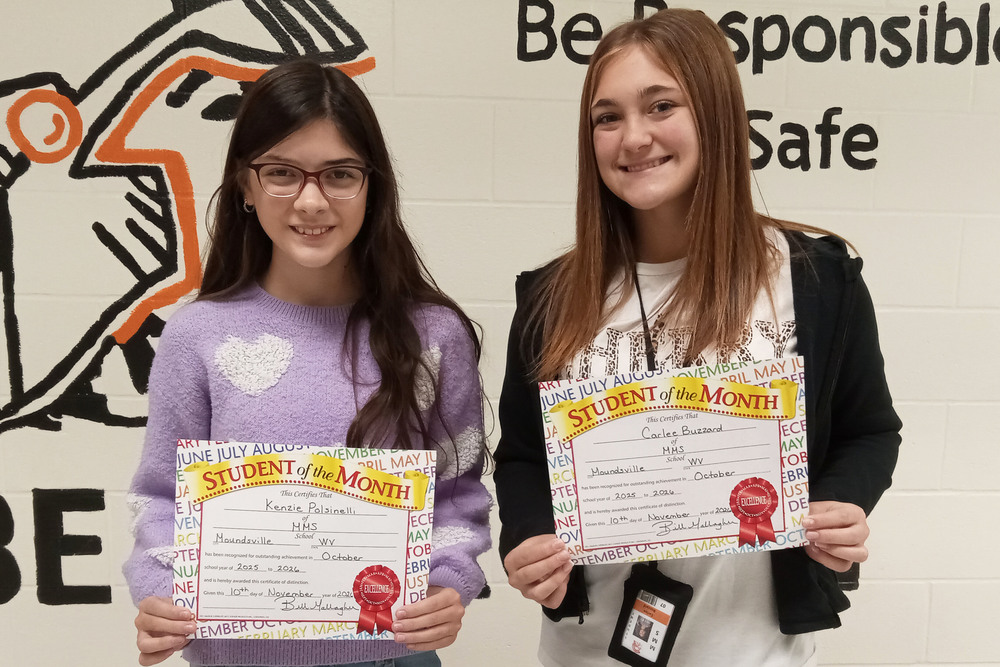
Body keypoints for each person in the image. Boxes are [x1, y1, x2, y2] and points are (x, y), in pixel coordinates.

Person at [494, 9, 900, 666]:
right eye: (607, 117)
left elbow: (870, 429)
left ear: (715, 113)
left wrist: (840, 502)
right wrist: (530, 534)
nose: (634, 137)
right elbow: (520, 457)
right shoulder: (551, 297)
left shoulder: (817, 280)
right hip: (587, 649)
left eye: (661, 106)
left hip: (759, 649)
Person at [123, 58, 491, 667]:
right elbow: (163, 497)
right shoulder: (196, 334)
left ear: (372, 185)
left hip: (390, 656)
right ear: (244, 184)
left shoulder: (433, 335)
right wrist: (161, 594)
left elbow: (456, 496)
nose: (312, 200)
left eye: (341, 174)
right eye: (282, 173)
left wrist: (450, 583)